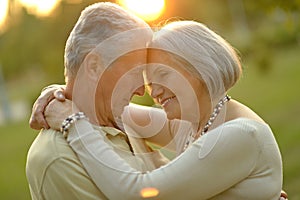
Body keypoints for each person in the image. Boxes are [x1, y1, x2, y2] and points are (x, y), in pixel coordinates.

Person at [38, 21, 285, 199]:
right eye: (148, 82)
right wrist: (62, 91)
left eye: (163, 75)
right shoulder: (198, 123)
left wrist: (74, 123)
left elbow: (138, 193)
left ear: (199, 67)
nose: (153, 92)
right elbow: (112, 107)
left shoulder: (239, 135)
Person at [26, 2, 170, 200]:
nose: (141, 90)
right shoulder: (58, 158)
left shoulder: (120, 118)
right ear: (94, 66)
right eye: (136, 72)